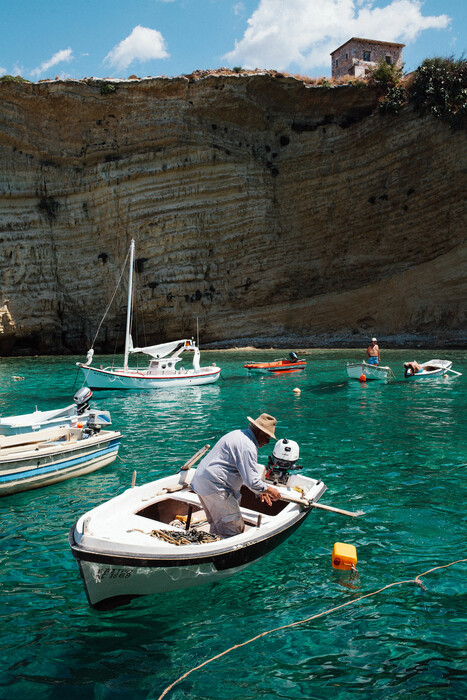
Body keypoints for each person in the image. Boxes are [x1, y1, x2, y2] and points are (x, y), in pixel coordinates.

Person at [190, 413, 281, 537]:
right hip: (216, 488)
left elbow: (246, 473)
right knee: (234, 531)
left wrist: (261, 490)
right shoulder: (248, 446)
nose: (267, 442)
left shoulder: (237, 434)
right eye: (267, 436)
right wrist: (269, 489)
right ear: (260, 432)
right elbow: (252, 481)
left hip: (201, 483)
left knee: (217, 527)